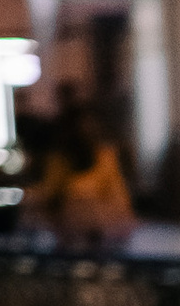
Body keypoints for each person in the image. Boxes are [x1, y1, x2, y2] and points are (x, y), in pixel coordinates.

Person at [26, 98, 132, 240]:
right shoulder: (59, 161)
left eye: (89, 129)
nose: (85, 135)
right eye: (80, 131)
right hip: (68, 235)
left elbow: (120, 202)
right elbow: (48, 196)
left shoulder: (106, 157)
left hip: (103, 234)